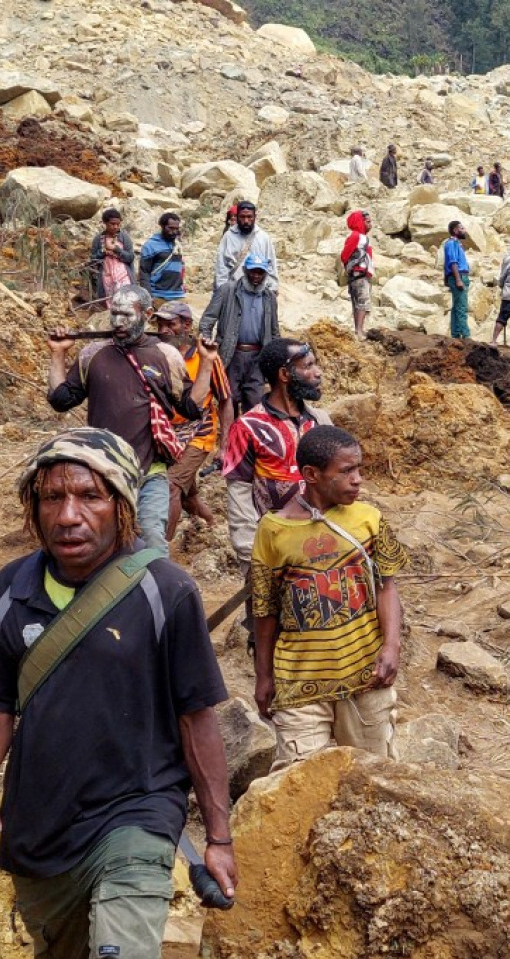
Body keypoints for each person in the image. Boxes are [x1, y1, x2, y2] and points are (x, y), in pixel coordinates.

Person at [0, 427, 236, 959]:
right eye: (52, 497)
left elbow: (196, 718)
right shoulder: (10, 590)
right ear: (32, 508)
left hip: (137, 816)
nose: (68, 516)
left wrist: (218, 838)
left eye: (90, 496)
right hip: (41, 830)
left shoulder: (165, 590)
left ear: (123, 506)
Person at [252, 425, 409, 768]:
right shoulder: (273, 530)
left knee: (375, 777)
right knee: (296, 783)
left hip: (365, 676)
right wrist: (263, 676)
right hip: (298, 683)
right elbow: (265, 609)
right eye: (347, 470)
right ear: (311, 474)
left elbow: (386, 586)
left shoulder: (369, 520)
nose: (358, 479)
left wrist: (391, 646)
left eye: (359, 469)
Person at [48, 286, 216, 556]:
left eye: (127, 315)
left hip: (150, 473)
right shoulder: (93, 355)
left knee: (152, 543)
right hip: (104, 475)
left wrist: (206, 363)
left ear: (147, 315)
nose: (119, 323)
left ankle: (155, 596)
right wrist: (57, 353)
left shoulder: (166, 356)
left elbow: (190, 407)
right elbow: (60, 399)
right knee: (106, 547)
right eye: (114, 315)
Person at [221, 338, 330, 652]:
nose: (318, 373)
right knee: (271, 638)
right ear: (285, 374)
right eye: (308, 366)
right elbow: (240, 494)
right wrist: (250, 557)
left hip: (322, 550)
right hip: (272, 553)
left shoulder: (320, 422)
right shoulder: (249, 427)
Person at [153, 301, 232, 541]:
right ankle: (211, 526)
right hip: (166, 434)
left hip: (199, 433)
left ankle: (160, 552)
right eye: (160, 324)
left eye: (171, 324)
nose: (164, 330)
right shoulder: (157, 354)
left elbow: (226, 400)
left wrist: (225, 445)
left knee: (171, 486)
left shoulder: (205, 356)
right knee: (188, 496)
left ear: (186, 325)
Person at [200, 253, 280, 415]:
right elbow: (208, 319)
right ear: (245, 270)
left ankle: (249, 437)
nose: (256, 276)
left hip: (258, 356)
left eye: (260, 272)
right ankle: (230, 437)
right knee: (229, 399)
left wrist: (276, 356)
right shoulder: (227, 290)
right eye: (253, 271)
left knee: (255, 401)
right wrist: (206, 342)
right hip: (231, 354)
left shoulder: (269, 296)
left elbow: (274, 330)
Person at [214, 201, 278, 294]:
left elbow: (271, 264)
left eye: (249, 217)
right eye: (242, 217)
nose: (246, 221)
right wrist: (221, 290)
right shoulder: (229, 236)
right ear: (237, 217)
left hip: (258, 292)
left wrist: (273, 288)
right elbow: (221, 266)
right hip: (233, 291)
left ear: (255, 217)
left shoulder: (263, 237)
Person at [87, 209, 134, 308]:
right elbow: (92, 259)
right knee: (110, 302)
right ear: (105, 223)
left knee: (126, 301)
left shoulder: (124, 237)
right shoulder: (98, 239)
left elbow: (130, 257)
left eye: (118, 224)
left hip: (123, 275)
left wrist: (117, 249)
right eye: (112, 224)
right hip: (106, 276)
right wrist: (103, 252)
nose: (115, 226)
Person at [340, 209, 374, 339]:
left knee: (358, 303)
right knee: (362, 303)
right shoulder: (356, 236)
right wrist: (353, 267)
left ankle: (358, 330)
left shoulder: (362, 237)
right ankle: (359, 332)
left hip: (359, 275)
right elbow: (344, 255)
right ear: (360, 222)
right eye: (368, 222)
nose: (370, 225)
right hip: (358, 276)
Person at [138, 213, 186, 303]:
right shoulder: (150, 245)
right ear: (162, 226)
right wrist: (148, 296)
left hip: (178, 295)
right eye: (170, 228)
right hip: (158, 296)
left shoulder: (177, 245)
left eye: (176, 229)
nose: (174, 232)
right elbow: (144, 272)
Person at [442, 221, 471, 340]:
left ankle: (455, 334)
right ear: (455, 230)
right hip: (458, 276)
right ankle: (465, 335)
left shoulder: (456, 243)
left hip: (457, 276)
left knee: (456, 307)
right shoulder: (452, 243)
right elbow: (452, 262)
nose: (464, 230)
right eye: (462, 228)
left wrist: (446, 278)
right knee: (461, 307)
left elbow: (447, 262)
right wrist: (458, 279)